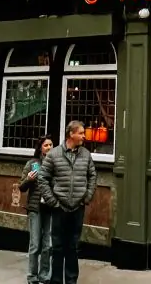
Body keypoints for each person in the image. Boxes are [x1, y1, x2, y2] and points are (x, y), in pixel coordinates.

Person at [38, 121, 97, 284]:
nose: (84, 136)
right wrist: (52, 201)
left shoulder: (85, 154)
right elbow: (42, 177)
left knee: (72, 247)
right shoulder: (54, 154)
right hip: (59, 207)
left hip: (77, 207)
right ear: (71, 134)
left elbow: (92, 175)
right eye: (81, 133)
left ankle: (71, 281)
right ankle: (56, 281)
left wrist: (87, 196)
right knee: (57, 247)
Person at [20, 135, 54, 284]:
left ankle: (44, 276)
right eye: (46, 145)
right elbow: (22, 187)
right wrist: (28, 179)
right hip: (36, 208)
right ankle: (32, 277)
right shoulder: (32, 163)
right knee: (35, 244)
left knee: (49, 244)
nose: (49, 148)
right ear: (40, 148)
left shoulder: (55, 164)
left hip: (50, 207)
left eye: (51, 145)